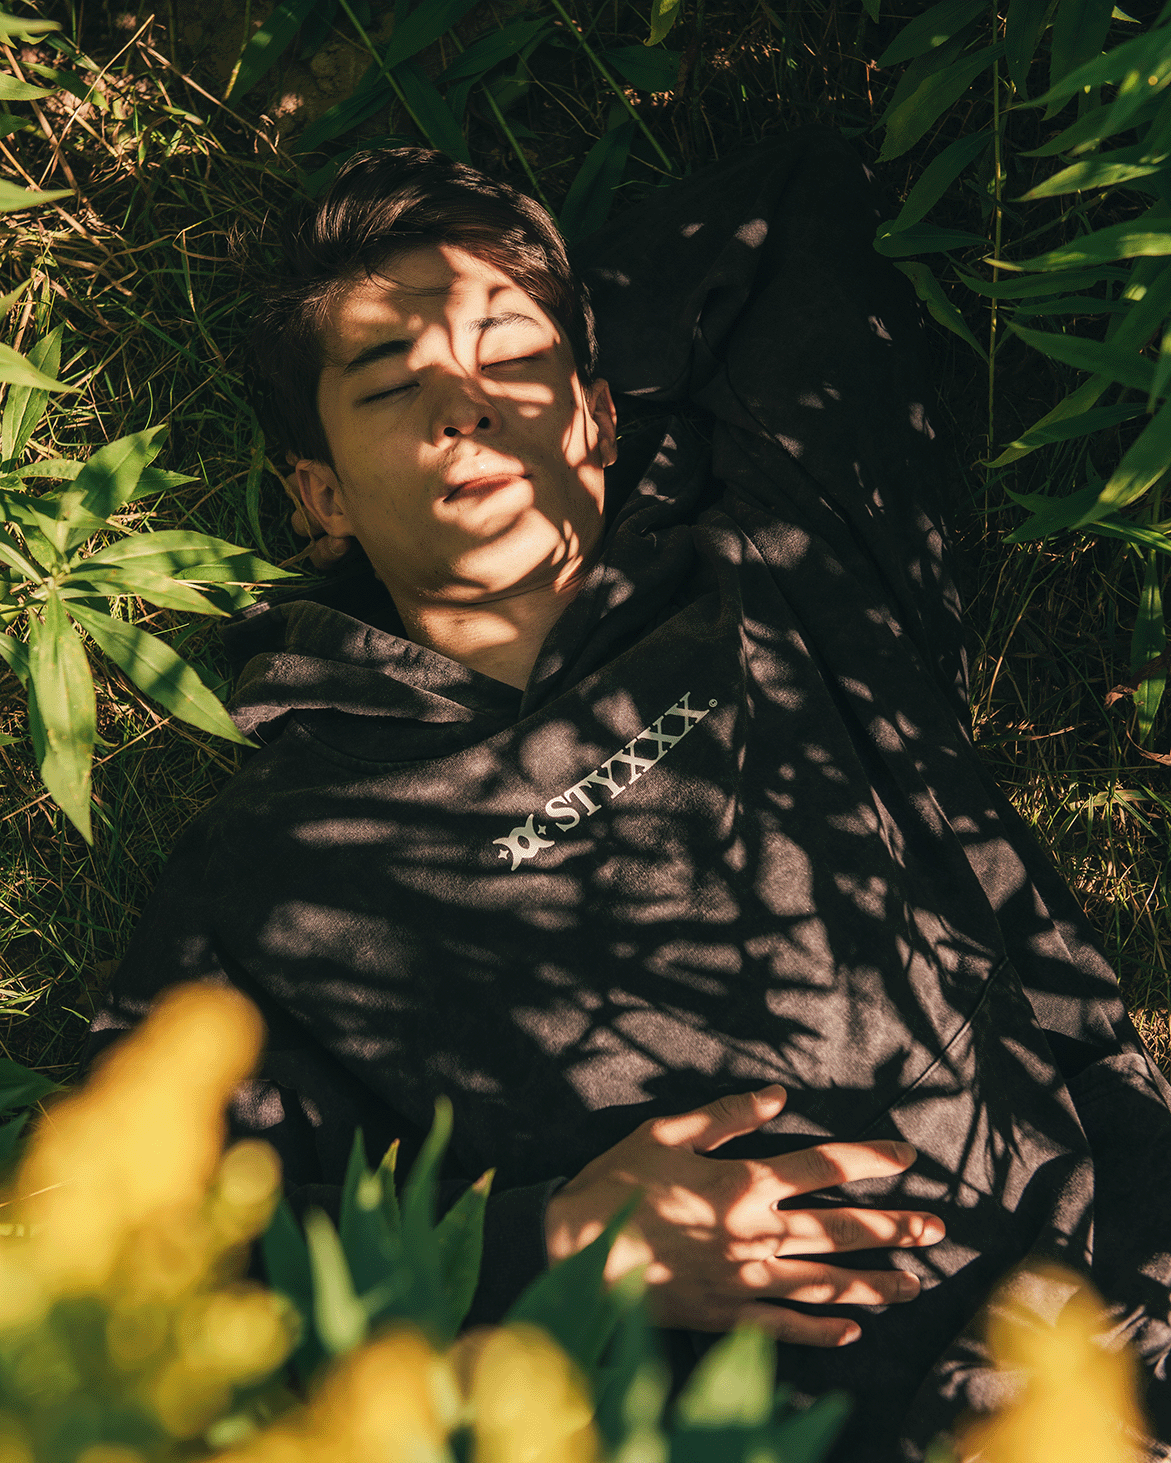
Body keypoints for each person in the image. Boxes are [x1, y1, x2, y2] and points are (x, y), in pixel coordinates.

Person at [88, 131, 1171, 1461]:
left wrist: (558, 372)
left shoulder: (774, 559)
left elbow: (795, 201)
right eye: (389, 385)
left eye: (508, 358)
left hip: (1108, 1324)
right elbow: (142, 1267)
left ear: (600, 410)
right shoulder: (280, 858)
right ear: (317, 495)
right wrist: (548, 1245)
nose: (461, 406)